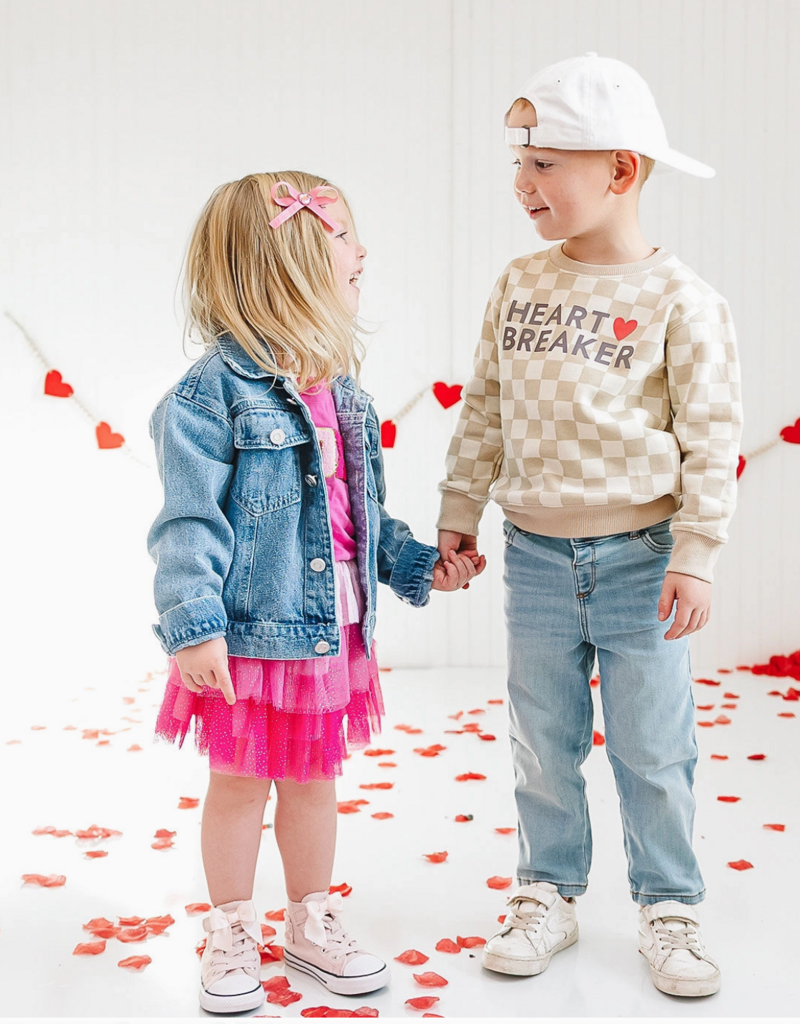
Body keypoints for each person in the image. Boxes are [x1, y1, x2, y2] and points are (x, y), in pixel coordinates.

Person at [437, 53, 741, 998]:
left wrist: (695, 553)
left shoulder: (680, 301)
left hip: (640, 558)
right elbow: (483, 405)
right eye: (519, 164)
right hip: (532, 554)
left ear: (621, 170)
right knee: (542, 734)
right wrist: (460, 509)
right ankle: (547, 890)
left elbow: (711, 436)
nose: (521, 183)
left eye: (545, 165)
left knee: (652, 742)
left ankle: (670, 905)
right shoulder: (520, 284)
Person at [148, 170, 483, 1014]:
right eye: (344, 240)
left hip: (328, 632)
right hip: (250, 637)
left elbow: (354, 518)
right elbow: (187, 523)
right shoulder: (208, 396)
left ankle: (309, 919)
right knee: (237, 782)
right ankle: (230, 925)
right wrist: (193, 626)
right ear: (289, 262)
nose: (361, 252)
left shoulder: (348, 394)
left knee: (311, 782)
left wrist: (414, 565)